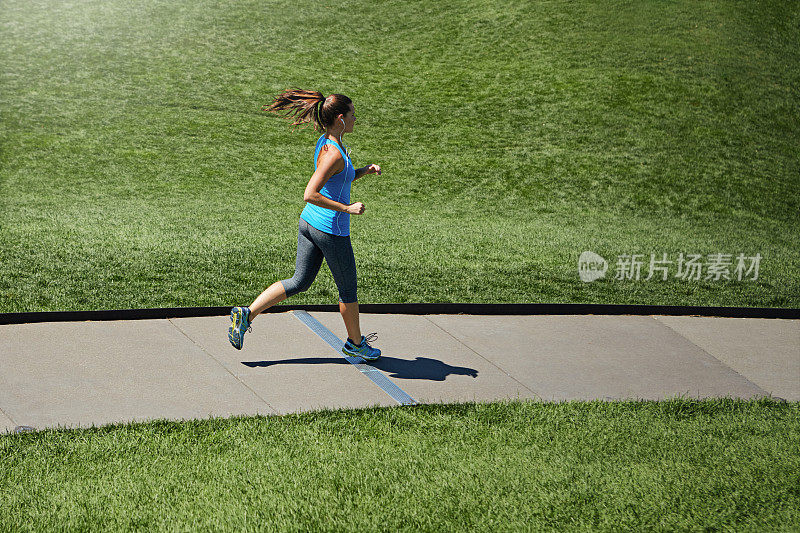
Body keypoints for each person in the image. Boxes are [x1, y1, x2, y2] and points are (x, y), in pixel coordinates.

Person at [228, 88, 382, 360]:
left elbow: (337, 180)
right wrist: (347, 208)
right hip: (330, 230)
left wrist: (363, 172)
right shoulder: (333, 153)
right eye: (353, 115)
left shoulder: (327, 142)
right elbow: (310, 193)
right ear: (340, 119)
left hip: (309, 223)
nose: (356, 119)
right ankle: (355, 344)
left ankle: (246, 314)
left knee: (299, 281)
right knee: (348, 290)